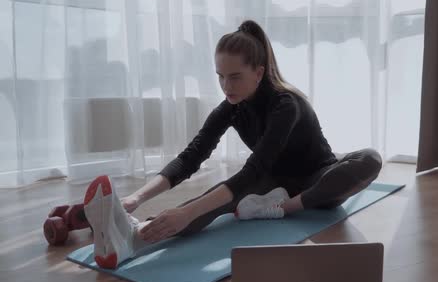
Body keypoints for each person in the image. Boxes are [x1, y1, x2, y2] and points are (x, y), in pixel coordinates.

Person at [83, 20, 382, 269]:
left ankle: (283, 208)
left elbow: (254, 170)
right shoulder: (230, 106)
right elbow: (190, 158)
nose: (227, 87)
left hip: (317, 178)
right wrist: (136, 199)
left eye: (235, 77)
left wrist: (188, 213)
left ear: (259, 72)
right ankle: (132, 238)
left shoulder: (286, 105)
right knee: (213, 200)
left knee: (370, 159)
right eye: (221, 77)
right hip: (272, 181)